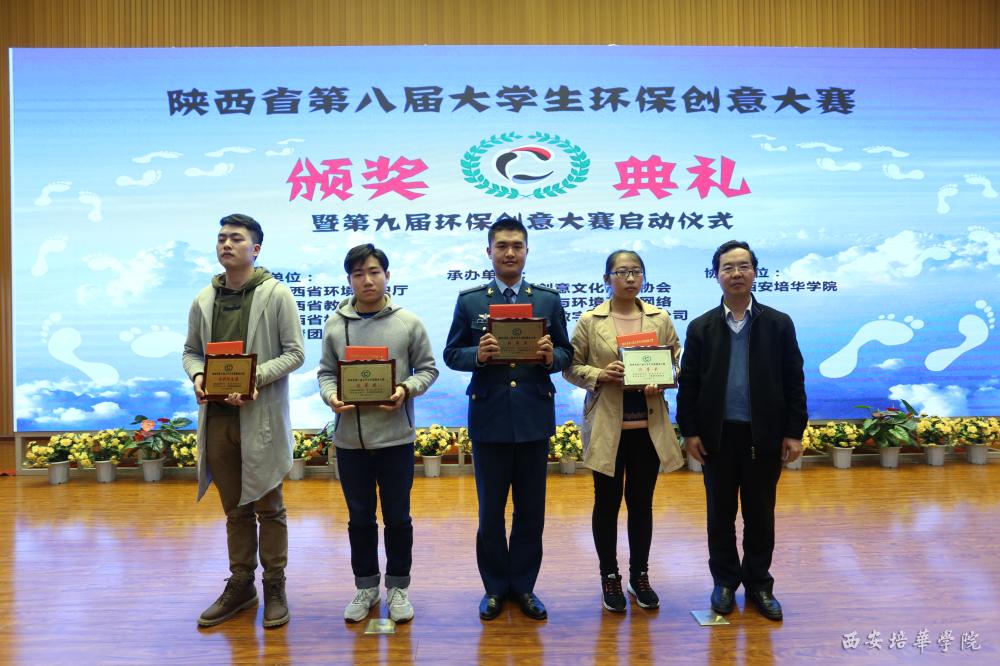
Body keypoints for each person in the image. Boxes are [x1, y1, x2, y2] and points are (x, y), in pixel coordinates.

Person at [443, 215, 573, 621]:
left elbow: (567, 353)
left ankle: (525, 586)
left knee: (531, 511)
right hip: (490, 418)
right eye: (502, 246)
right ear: (489, 252)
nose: (510, 253)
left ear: (527, 251)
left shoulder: (547, 300)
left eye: (517, 246)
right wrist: (477, 356)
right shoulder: (471, 301)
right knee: (490, 512)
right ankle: (495, 587)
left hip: (533, 418)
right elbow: (452, 354)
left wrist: (551, 358)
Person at [182, 213, 305, 628]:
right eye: (221, 238)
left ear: (255, 249)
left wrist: (256, 378)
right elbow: (190, 352)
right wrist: (198, 375)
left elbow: (295, 352)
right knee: (235, 509)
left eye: (236, 238)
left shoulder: (276, 294)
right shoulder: (204, 299)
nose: (226, 244)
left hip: (259, 416)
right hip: (218, 418)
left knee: (269, 506)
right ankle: (241, 584)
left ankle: (275, 585)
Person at [676, 240, 807, 621]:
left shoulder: (778, 323)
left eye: (743, 266)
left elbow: (793, 380)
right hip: (717, 438)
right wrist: (690, 432)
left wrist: (793, 431)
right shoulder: (701, 327)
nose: (736, 273)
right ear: (716, 274)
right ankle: (724, 582)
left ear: (755, 272)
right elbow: (690, 384)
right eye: (728, 267)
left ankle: (759, 584)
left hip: (763, 436)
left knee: (760, 514)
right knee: (719, 514)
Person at [317, 244, 439, 624]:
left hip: (395, 440)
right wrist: (331, 396)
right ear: (349, 279)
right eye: (358, 274)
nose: (367, 280)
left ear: (387, 275)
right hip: (350, 443)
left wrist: (405, 389)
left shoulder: (408, 322)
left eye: (373, 272)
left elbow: (428, 369)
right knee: (360, 520)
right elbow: (326, 373)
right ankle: (366, 586)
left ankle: (398, 587)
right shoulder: (335, 324)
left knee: (398, 518)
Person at [562, 250, 684, 613]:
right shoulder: (590, 320)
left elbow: (677, 363)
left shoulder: (659, 318)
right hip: (607, 427)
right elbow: (570, 366)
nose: (630, 278)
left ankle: (639, 575)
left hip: (648, 427)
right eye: (621, 272)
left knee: (641, 504)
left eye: (636, 271)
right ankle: (609, 576)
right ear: (607, 279)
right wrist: (600, 375)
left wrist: (664, 378)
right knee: (607, 503)